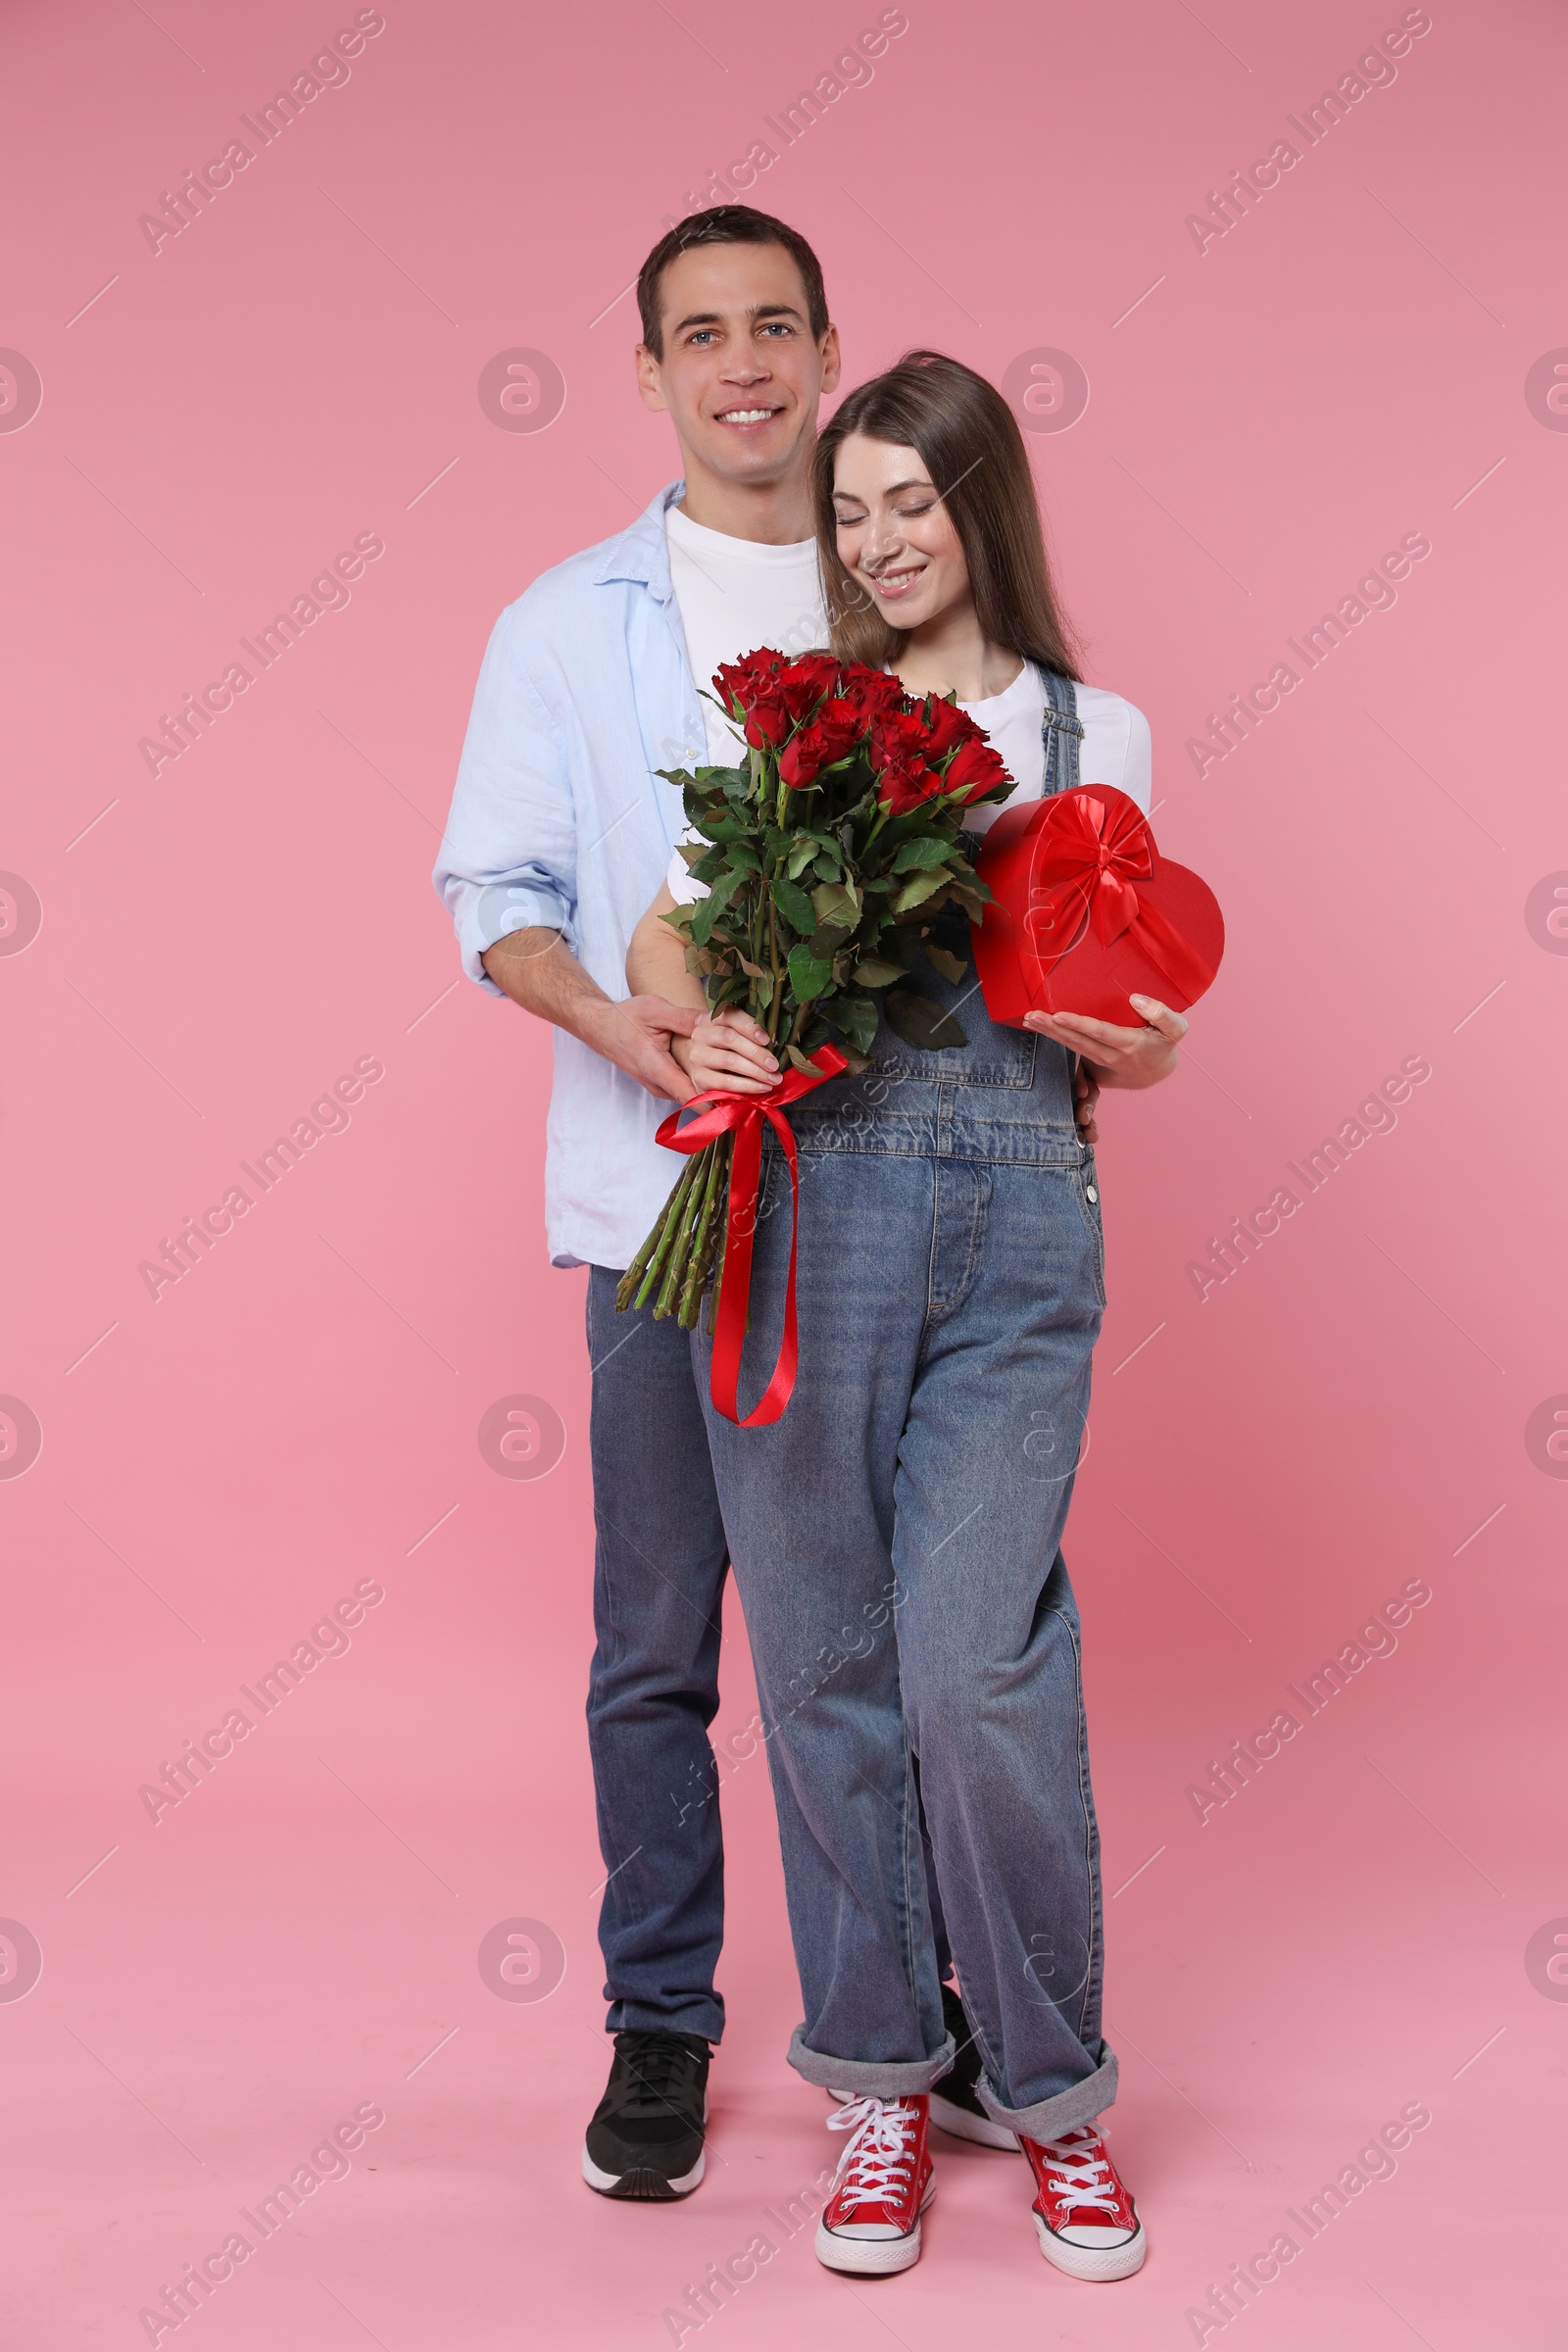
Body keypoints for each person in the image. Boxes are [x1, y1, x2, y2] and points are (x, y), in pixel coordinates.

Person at [626, 350, 1187, 2278]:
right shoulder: (801, 723)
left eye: (909, 504)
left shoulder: (1085, 727)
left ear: (979, 507)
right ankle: (876, 2075)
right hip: (805, 1210)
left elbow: (1129, 1008)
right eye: (849, 511)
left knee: (974, 1663)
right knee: (817, 1669)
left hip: (1022, 1223)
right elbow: (670, 922)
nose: (874, 541)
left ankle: (1045, 2094)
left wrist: (1158, 1039)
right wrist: (681, 1011)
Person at [434, 206, 846, 2200]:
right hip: (653, 1212)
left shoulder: (902, 590)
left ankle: (896, 2017)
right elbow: (489, 898)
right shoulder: (560, 620)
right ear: (650, 372)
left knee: (880, 1643)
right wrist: (627, 1031)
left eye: (774, 326)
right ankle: (659, 2029)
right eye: (702, 334)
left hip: (883, 1207)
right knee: (656, 1649)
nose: (741, 364)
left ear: (825, 349)